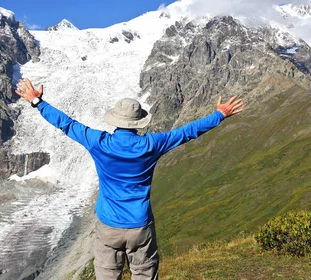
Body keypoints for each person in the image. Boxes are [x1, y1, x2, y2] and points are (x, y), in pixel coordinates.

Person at [15, 78, 244, 280]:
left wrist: (38, 102)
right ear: (138, 122)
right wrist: (219, 115)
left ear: (115, 120)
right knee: (144, 273)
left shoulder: (99, 142)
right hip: (140, 226)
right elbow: (186, 132)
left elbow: (66, 124)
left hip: (109, 226)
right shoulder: (152, 145)